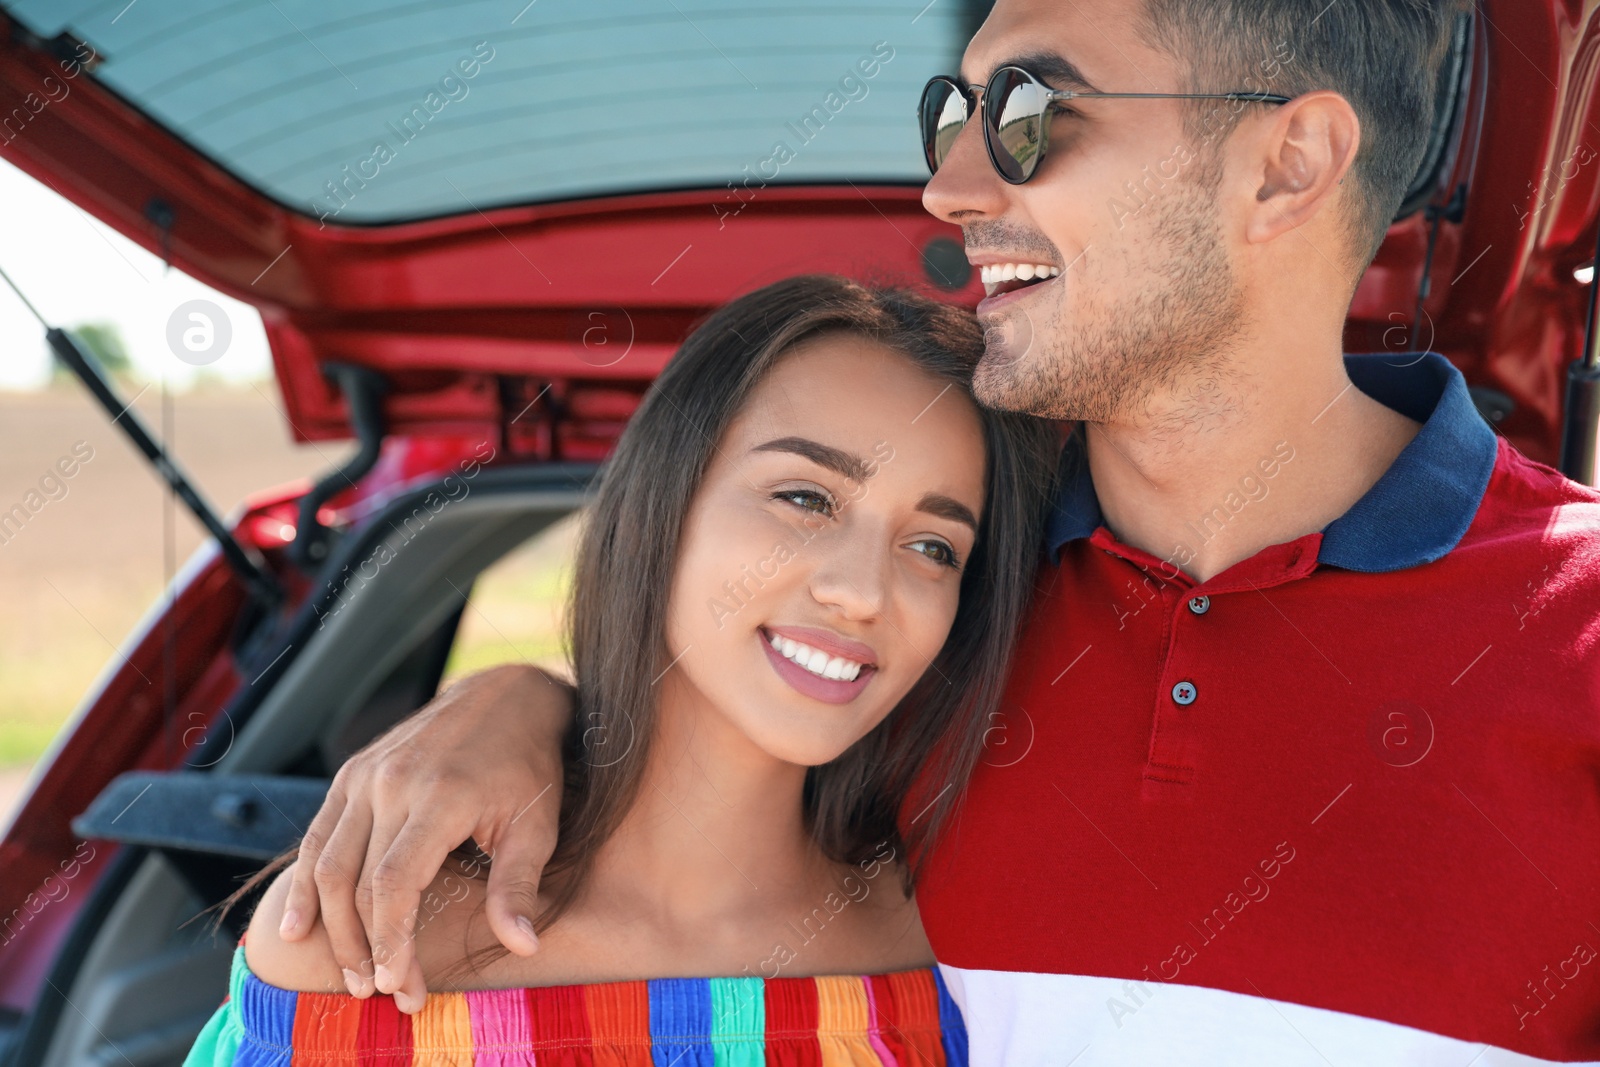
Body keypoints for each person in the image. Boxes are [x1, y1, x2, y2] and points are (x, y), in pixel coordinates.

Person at [276, 0, 1600, 1062]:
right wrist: (523, 706)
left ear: (1289, 163)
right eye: (951, 112)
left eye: (1031, 110)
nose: (950, 185)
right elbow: (712, 706)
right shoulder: (943, 627)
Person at [185, 276, 1059, 1063]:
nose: (864, 593)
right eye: (805, 497)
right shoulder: (364, 944)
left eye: (935, 545)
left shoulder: (958, 962)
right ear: (663, 503)